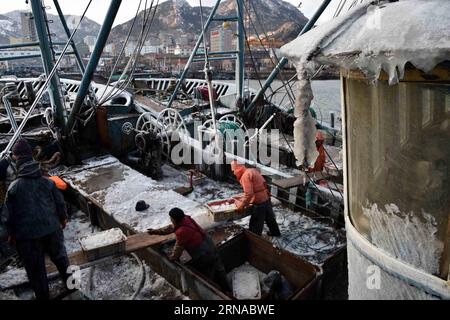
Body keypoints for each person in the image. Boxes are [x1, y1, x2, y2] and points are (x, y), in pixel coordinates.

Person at [3, 139, 70, 300]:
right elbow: (60, 204)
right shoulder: (47, 181)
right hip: (52, 229)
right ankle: (76, 290)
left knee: (36, 272)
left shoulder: (14, 188)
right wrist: (62, 219)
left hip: (27, 238)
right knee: (64, 262)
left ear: (16, 159)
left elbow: (7, 217)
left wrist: (10, 235)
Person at [147, 208, 231, 292]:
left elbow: (179, 247)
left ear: (173, 219)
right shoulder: (186, 219)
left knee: (208, 275)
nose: (170, 220)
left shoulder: (182, 231)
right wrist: (156, 231)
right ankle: (227, 289)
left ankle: (216, 293)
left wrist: (172, 258)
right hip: (209, 245)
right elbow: (172, 227)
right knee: (219, 269)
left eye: (171, 218)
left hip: (204, 254)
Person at [231, 160, 281, 237]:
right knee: (270, 219)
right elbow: (262, 184)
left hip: (259, 203)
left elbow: (249, 194)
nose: (234, 173)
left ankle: (255, 241)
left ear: (237, 169)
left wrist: (242, 206)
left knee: (256, 225)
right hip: (266, 198)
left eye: (233, 170)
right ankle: (276, 234)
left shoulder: (245, 176)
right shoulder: (252, 170)